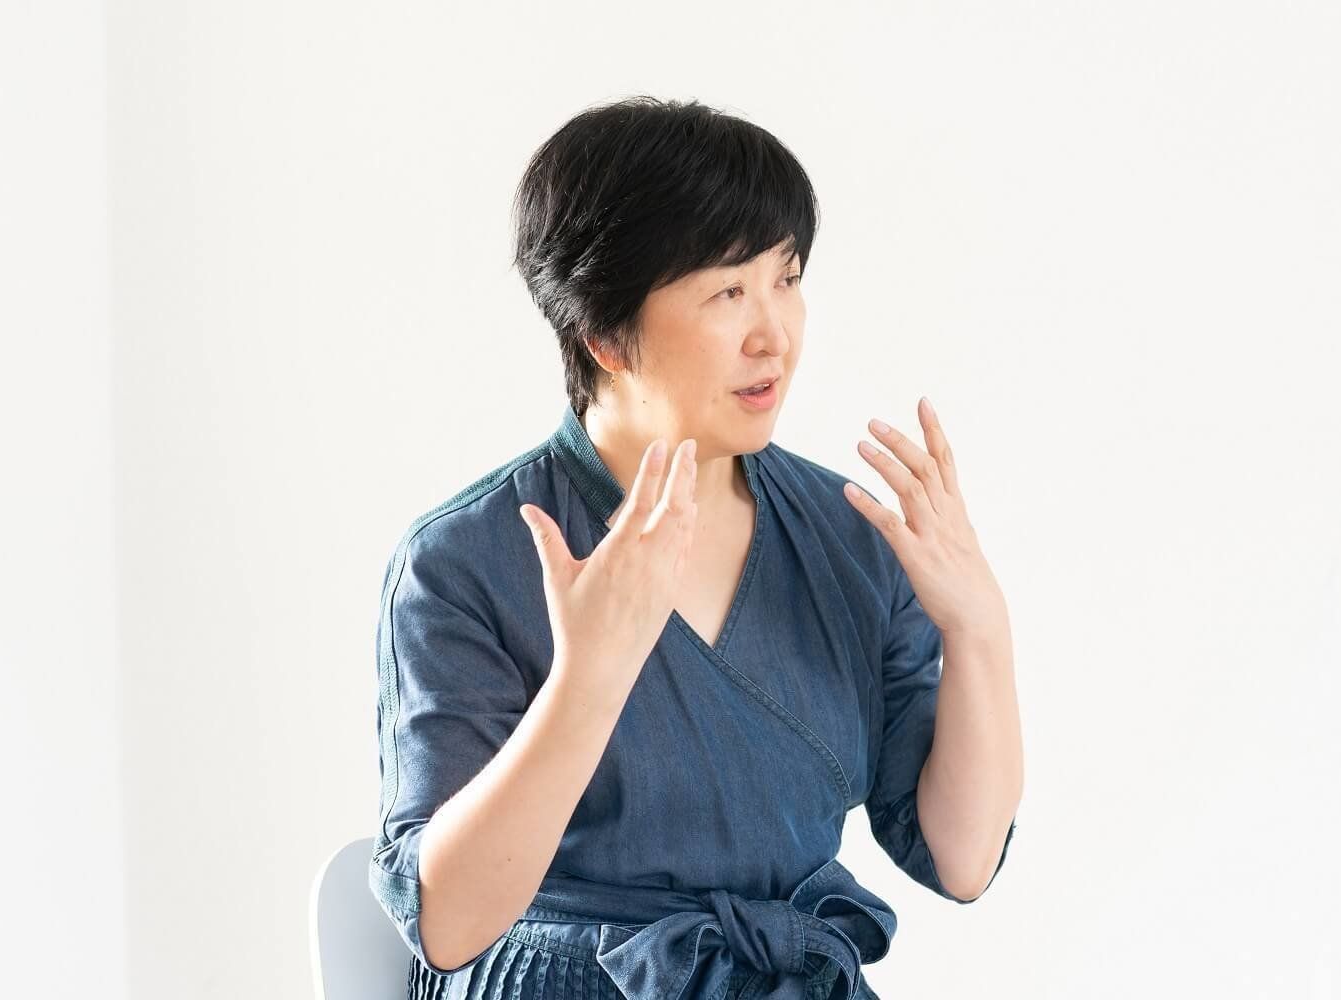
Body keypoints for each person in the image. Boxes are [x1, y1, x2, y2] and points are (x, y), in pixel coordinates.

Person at [368, 96, 1022, 1000]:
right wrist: (589, 678)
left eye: (786, 279)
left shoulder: (847, 538)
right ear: (605, 335)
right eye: (727, 292)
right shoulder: (466, 563)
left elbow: (962, 857)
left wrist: (980, 631)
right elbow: (447, 924)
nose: (773, 335)